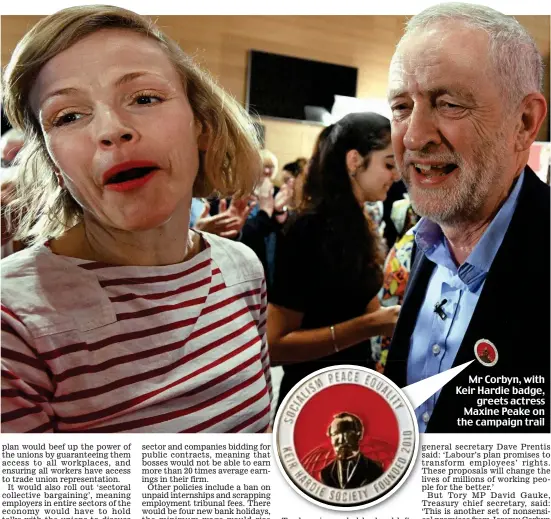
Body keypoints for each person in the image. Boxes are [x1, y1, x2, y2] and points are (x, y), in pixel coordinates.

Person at [1, 5, 272, 433]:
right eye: (68, 116)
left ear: (199, 123)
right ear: (53, 163)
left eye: (145, 98)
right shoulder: (11, 320)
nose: (111, 129)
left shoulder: (242, 269)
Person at [384, 3, 549, 433]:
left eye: (450, 104)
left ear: (524, 122)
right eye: (401, 106)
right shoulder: (429, 240)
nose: (414, 136)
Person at [268, 113, 401, 410]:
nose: (397, 175)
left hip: (354, 389)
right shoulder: (308, 229)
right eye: (389, 164)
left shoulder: (359, 224)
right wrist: (369, 326)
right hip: (313, 398)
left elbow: (361, 303)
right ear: (355, 161)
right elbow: (275, 346)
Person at [320, 413, 383, 489]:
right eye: (335, 434)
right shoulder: (325, 473)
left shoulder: (375, 469)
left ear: (359, 434)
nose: (341, 440)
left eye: (347, 433)